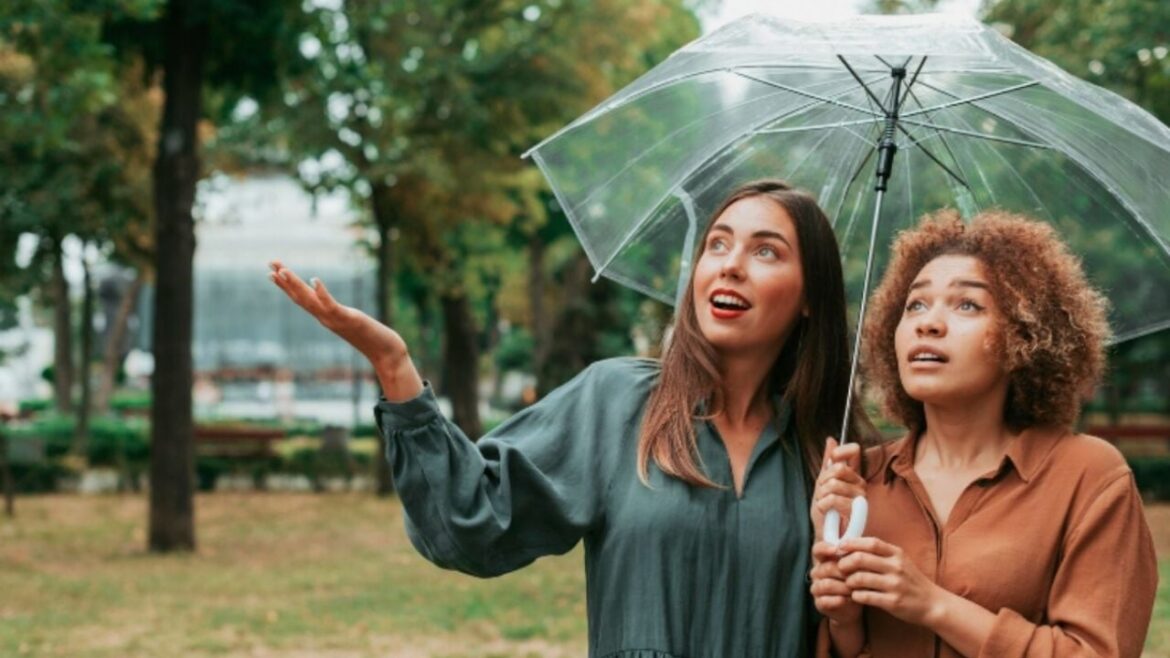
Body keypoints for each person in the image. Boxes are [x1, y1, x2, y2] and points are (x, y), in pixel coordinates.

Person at [270, 179, 869, 657]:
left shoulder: (833, 456)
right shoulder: (619, 403)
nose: (730, 265)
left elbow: (863, 638)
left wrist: (843, 586)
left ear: (810, 296)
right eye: (717, 243)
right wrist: (394, 365)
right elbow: (470, 520)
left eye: (765, 251)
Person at [809, 210, 1158, 658]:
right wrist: (844, 619)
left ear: (1025, 335)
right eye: (915, 304)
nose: (928, 323)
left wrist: (934, 606)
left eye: (967, 305)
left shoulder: (1089, 475)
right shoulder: (858, 483)